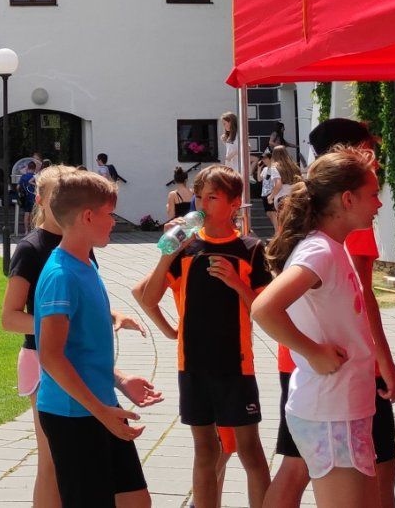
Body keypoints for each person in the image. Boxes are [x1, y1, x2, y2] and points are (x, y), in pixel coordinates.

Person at [265, 119, 395, 508]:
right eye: (373, 195)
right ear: (346, 200)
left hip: (344, 407)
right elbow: (265, 308)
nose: (379, 203)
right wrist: (312, 351)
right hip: (329, 411)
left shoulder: (332, 246)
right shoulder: (320, 250)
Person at [134, 164, 274, 508]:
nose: (202, 204)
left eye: (212, 198)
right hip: (193, 366)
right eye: (199, 197)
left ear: (235, 203)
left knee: (250, 452)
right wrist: (167, 256)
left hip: (236, 365)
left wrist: (237, 284)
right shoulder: (186, 248)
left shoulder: (250, 248)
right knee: (205, 452)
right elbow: (147, 298)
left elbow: (264, 309)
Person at [34, 168, 164, 507]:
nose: (114, 222)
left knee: (136, 501)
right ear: (88, 217)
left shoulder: (86, 265)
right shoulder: (61, 275)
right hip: (73, 415)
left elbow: (82, 349)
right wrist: (101, 412)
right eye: (109, 214)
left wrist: (119, 380)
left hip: (99, 405)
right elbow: (51, 357)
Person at [262, 146, 302, 214]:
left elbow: (278, 185)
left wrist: (270, 197)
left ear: (274, 155)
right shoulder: (294, 166)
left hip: (282, 197)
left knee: (283, 219)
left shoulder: (274, 167)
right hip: (295, 196)